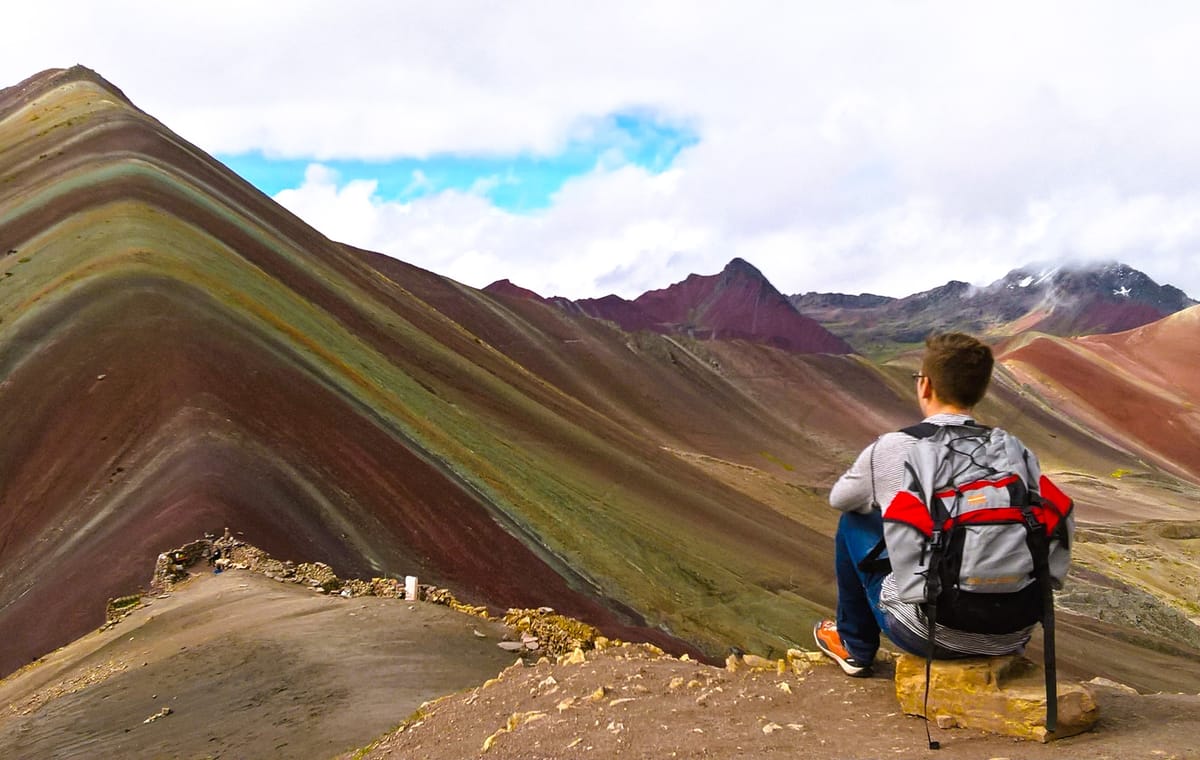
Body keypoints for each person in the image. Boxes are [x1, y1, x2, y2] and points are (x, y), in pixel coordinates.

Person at [813, 332, 1072, 676]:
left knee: (853, 520)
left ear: (925, 386)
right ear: (979, 392)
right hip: (1013, 633)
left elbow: (840, 498)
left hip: (929, 632)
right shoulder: (1014, 452)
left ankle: (855, 647)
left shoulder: (892, 447)